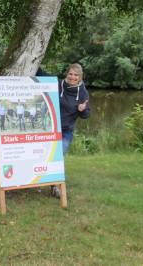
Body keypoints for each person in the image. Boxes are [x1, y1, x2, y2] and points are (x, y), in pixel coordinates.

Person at [52, 63, 90, 198]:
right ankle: (45, 180)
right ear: (66, 74)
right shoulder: (57, 84)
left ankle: (55, 186)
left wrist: (82, 109)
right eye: (71, 74)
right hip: (51, 128)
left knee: (59, 158)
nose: (73, 77)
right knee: (46, 156)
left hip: (66, 131)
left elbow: (86, 115)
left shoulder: (83, 92)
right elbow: (42, 74)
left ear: (80, 77)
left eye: (76, 75)